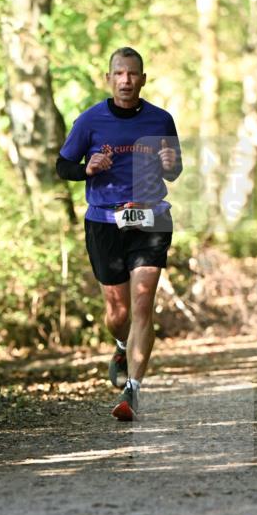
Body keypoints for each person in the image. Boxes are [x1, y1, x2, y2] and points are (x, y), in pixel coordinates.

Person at [56, 47, 182, 420]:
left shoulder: (161, 120)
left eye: (133, 74)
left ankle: (133, 390)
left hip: (150, 218)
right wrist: (88, 169)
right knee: (118, 312)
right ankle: (120, 344)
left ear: (143, 79)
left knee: (143, 303)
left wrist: (171, 165)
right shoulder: (90, 120)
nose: (126, 80)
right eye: (119, 74)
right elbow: (63, 166)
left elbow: (173, 171)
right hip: (104, 222)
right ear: (109, 79)